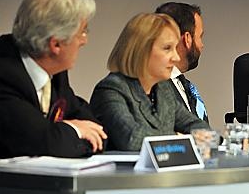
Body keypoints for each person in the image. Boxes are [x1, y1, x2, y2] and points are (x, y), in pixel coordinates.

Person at [0, 0, 107, 158]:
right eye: (82, 31)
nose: (84, 40)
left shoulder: (56, 73)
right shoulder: (5, 74)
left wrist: (66, 134)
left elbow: (97, 131)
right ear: (56, 44)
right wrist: (74, 129)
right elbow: (42, 142)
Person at [90, 13, 210, 151]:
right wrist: (179, 139)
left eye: (175, 48)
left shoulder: (163, 89)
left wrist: (210, 138)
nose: (176, 58)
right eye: (167, 48)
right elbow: (133, 139)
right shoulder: (111, 89)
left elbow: (198, 126)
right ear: (141, 50)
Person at [155, 2, 209, 122]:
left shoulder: (185, 86)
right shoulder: (153, 87)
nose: (202, 45)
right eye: (200, 37)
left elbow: (196, 128)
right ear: (187, 39)